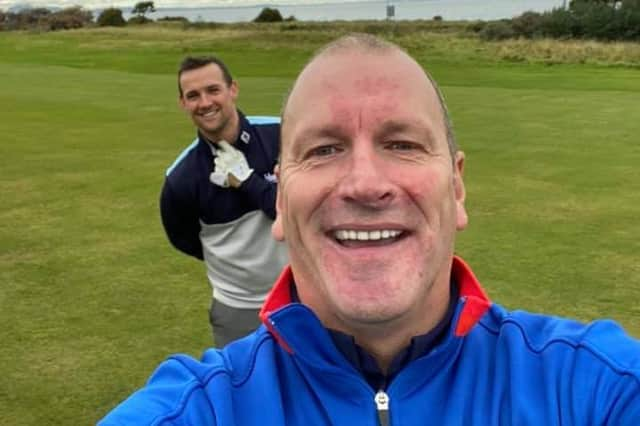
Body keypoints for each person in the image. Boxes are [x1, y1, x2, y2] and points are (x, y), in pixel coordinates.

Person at [101, 34, 640, 425]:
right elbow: (182, 238)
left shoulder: (593, 386)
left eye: (402, 144)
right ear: (283, 201)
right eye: (324, 149)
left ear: (456, 187)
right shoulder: (202, 409)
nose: (364, 183)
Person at [160, 56, 288, 346]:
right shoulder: (181, 177)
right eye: (193, 95)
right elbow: (185, 240)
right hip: (238, 308)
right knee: (245, 390)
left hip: (304, 294)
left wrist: (247, 182)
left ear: (233, 89)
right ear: (183, 104)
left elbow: (294, 211)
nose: (205, 102)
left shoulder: (282, 134)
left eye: (213, 90)